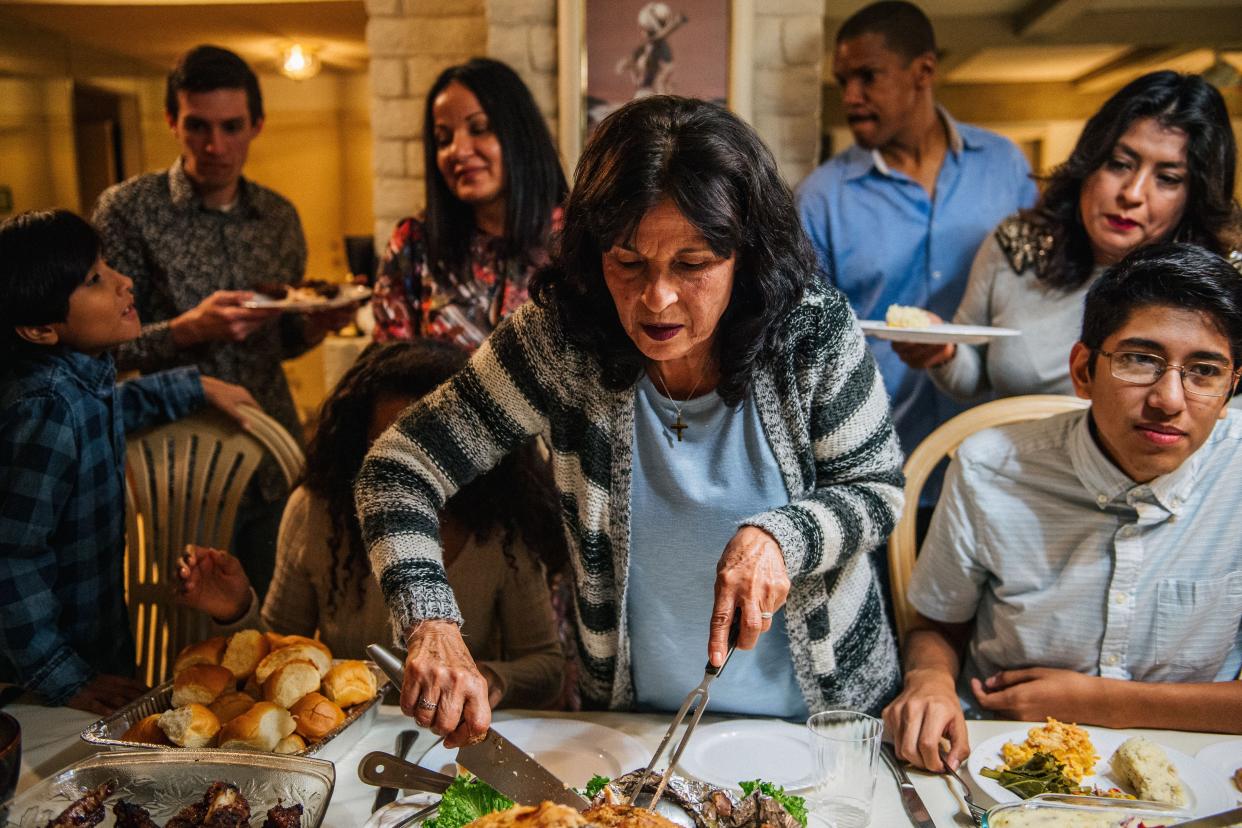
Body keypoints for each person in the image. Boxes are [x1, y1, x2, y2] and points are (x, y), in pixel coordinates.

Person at [356, 95, 906, 748]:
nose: (658, 298)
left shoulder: (811, 330)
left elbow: (876, 488)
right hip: (631, 728)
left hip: (823, 722)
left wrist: (783, 537)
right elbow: (396, 470)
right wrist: (431, 624)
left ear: (745, 253)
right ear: (594, 255)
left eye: (693, 265)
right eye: (629, 262)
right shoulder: (561, 339)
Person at [885, 243, 1242, 773]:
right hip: (1002, 758)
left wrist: (1098, 702)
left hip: (1197, 772)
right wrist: (929, 681)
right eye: (1140, 360)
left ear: (1233, 385)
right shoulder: (989, 470)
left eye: (1205, 371)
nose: (1169, 398)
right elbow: (938, 626)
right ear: (1083, 370)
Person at [92, 45, 356, 598]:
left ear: (256, 124)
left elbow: (278, 342)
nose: (215, 146)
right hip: (178, 464)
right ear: (172, 122)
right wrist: (189, 329)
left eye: (232, 126)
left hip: (272, 447)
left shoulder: (278, 217)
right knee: (190, 619)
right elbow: (97, 349)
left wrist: (316, 325)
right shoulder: (127, 210)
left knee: (275, 616)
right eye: (198, 127)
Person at [175, 340, 567, 709]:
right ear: (359, 445)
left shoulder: (502, 523)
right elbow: (278, 657)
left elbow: (547, 668)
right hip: (347, 735)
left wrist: (487, 679)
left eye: (428, 452)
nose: (407, 472)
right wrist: (236, 611)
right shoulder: (315, 510)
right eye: (389, 454)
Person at [0, 210, 256, 714]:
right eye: (95, 280)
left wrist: (191, 386)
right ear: (38, 329)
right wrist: (60, 676)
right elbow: (10, 559)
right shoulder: (44, 406)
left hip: (92, 657)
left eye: (107, 266)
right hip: (45, 685)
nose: (124, 282)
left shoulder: (78, 381)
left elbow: (115, 405)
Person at [796, 1, 1037, 500]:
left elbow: (1037, 286)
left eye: (867, 77)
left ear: (923, 71)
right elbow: (805, 336)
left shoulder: (1003, 165)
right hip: (876, 461)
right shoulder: (822, 197)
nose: (852, 97)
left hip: (997, 452)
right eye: (843, 82)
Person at [895, 71, 1242, 401]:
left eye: (1167, 178)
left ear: (1195, 197)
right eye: (1120, 164)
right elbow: (974, 375)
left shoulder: (1222, 282)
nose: (1133, 193)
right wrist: (944, 351)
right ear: (1088, 163)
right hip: (1026, 460)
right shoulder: (1019, 245)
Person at [371, 58, 567, 350]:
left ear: (519, 134)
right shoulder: (415, 243)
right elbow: (390, 369)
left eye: (479, 128)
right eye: (443, 139)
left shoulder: (578, 236)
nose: (458, 151)